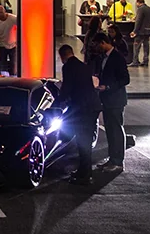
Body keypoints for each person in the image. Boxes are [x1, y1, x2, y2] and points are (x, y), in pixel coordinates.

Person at [52, 44, 100, 186]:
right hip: (92, 107)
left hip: (82, 109)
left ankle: (85, 175)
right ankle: (84, 172)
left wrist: (57, 103)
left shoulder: (68, 67)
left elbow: (67, 88)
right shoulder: (83, 66)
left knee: (82, 142)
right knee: (85, 141)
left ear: (62, 56)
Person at [89, 33, 129, 173]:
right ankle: (113, 159)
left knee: (116, 130)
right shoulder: (103, 58)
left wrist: (108, 87)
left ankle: (118, 161)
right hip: (106, 99)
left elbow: (125, 79)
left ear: (103, 42)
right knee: (111, 131)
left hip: (115, 100)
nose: (96, 48)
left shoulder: (117, 58)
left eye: (98, 44)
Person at [0, 5, 18, 75]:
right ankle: (4, 79)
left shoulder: (13, 19)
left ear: (5, 12)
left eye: (1, 12)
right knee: (3, 64)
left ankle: (13, 78)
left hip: (13, 45)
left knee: (14, 64)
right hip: (2, 45)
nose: (0, 14)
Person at [130, 0, 150, 67]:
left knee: (136, 46)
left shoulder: (140, 9)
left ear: (138, 2)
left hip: (140, 31)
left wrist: (134, 31)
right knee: (146, 46)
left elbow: (138, 21)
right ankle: (146, 61)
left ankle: (135, 61)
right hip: (148, 30)